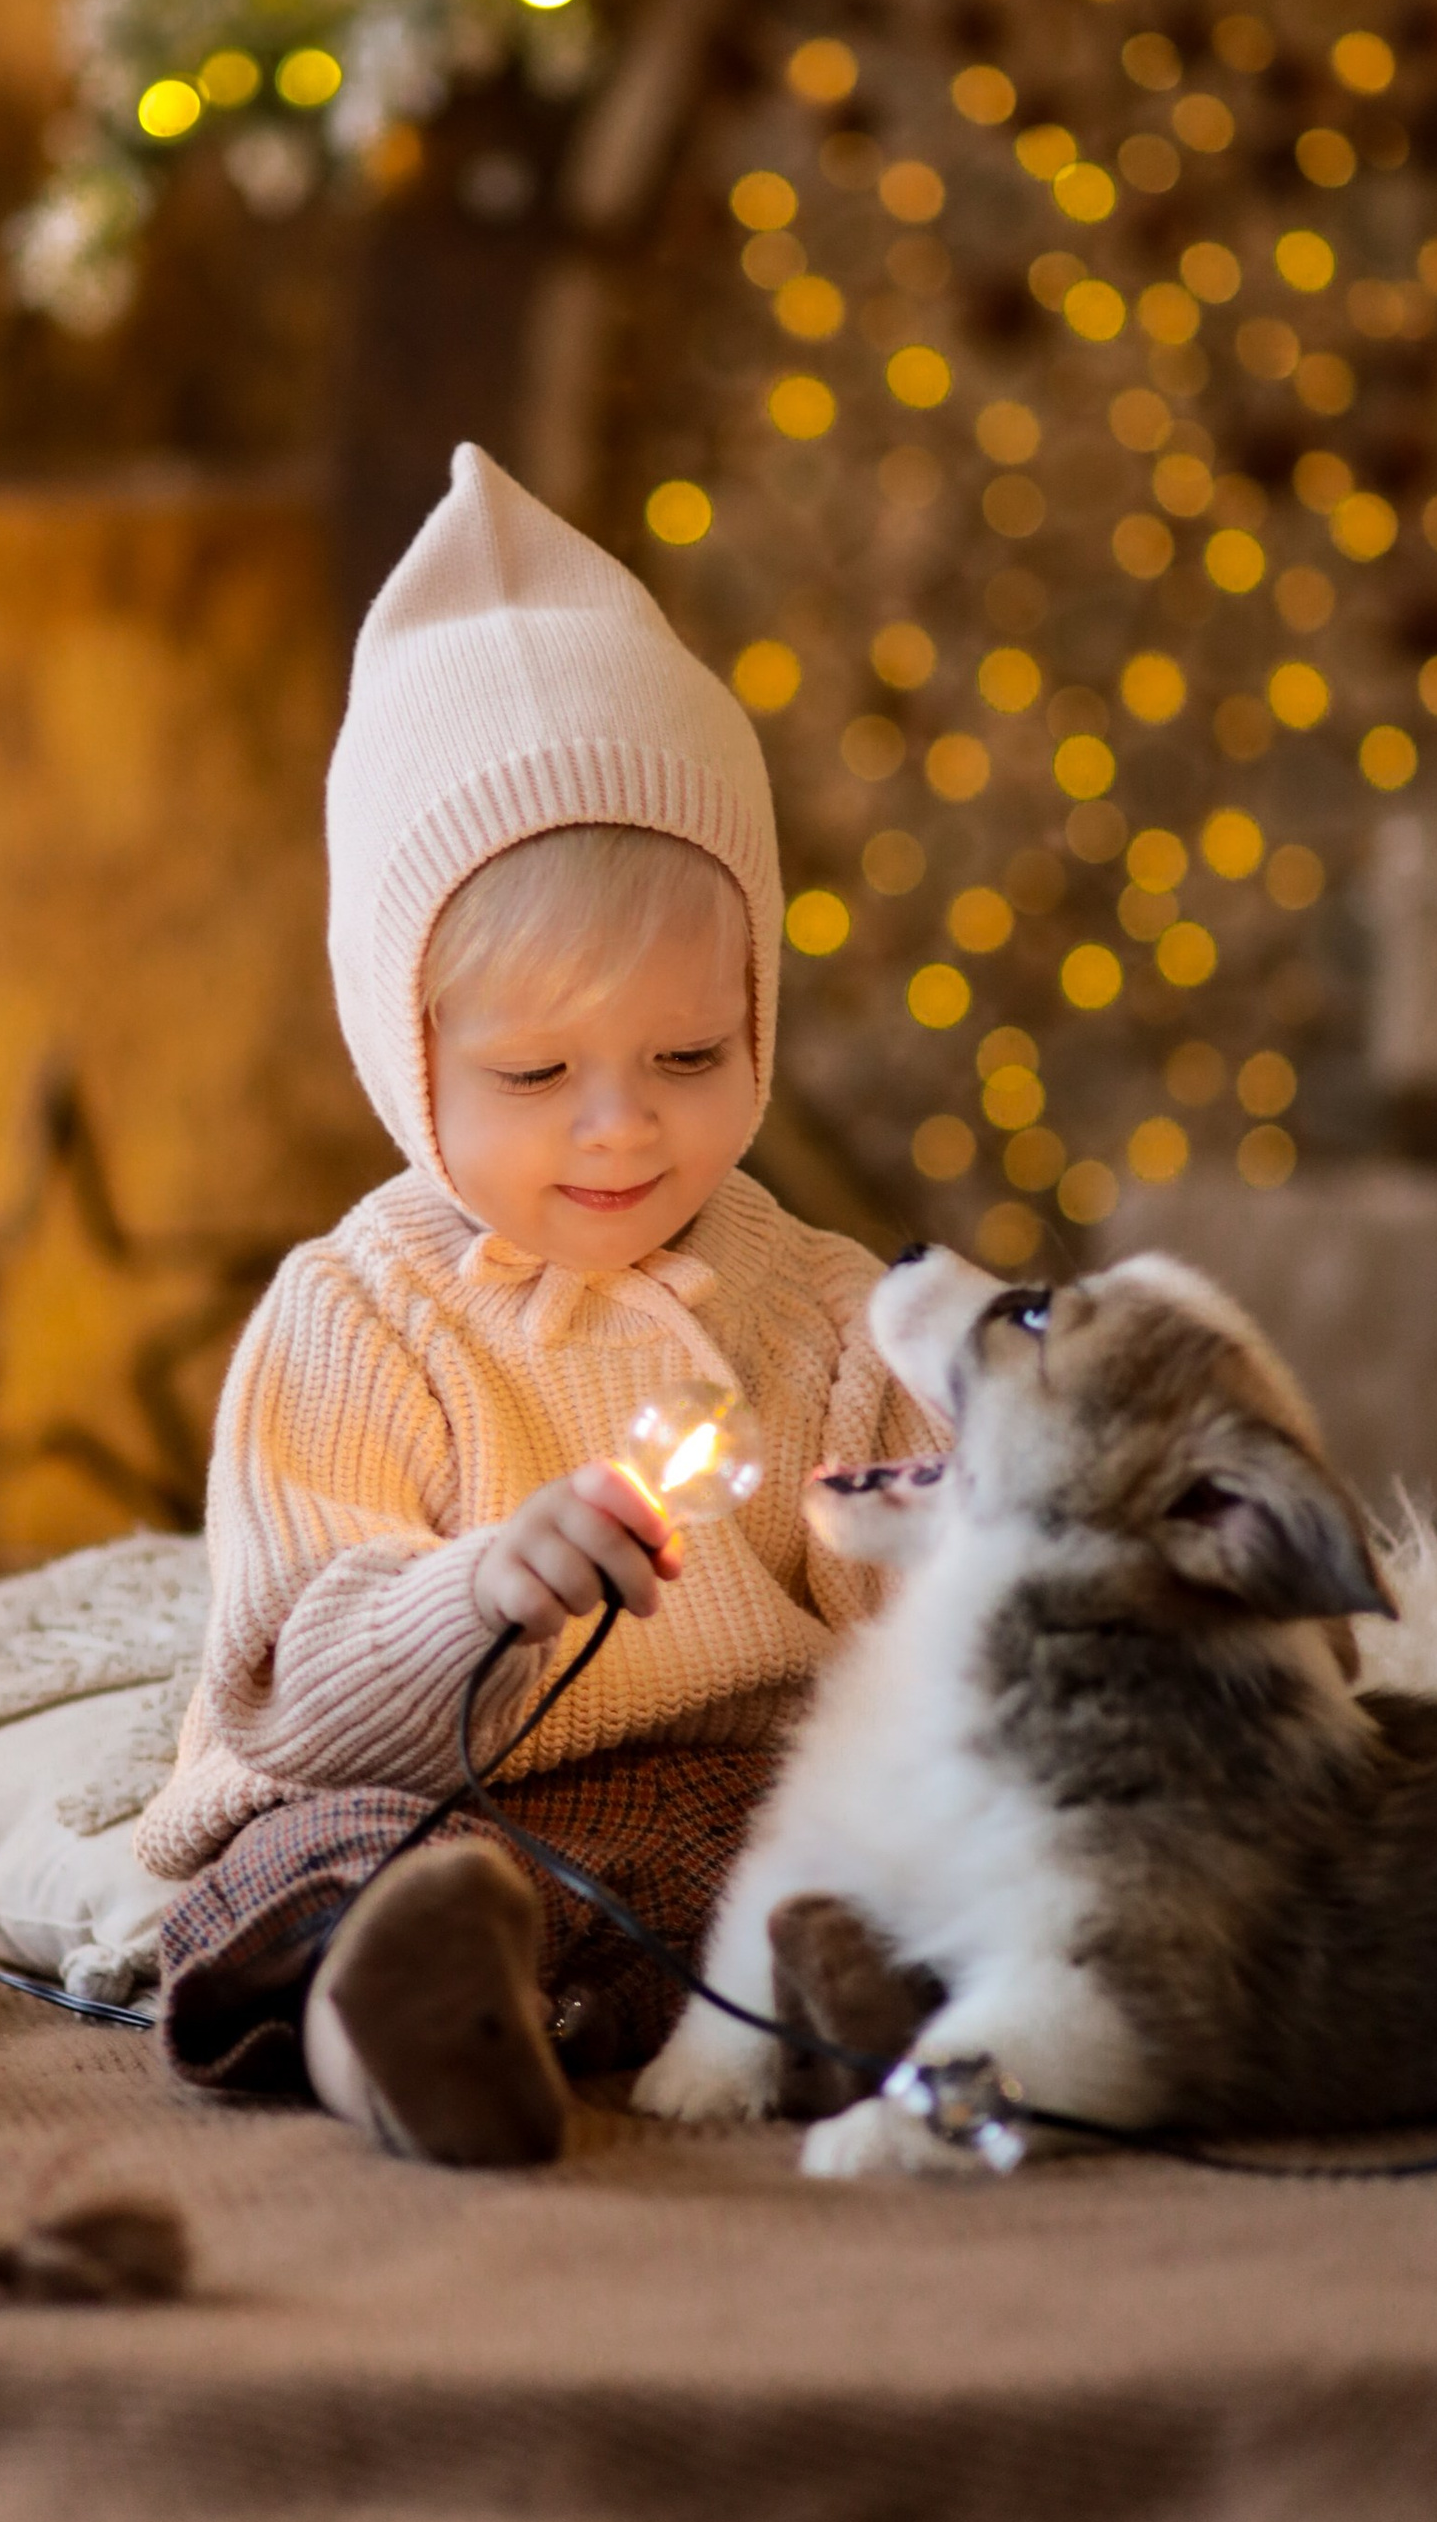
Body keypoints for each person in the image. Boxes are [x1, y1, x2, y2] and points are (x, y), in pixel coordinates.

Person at [135, 444, 935, 2160]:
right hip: (411, 1799)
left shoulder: (821, 1318)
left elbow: (913, 1647)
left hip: (719, 1808)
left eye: (690, 1054)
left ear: (758, 1013)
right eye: (535, 1070)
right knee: (309, 1888)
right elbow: (289, 1691)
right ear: (407, 1058)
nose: (622, 1123)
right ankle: (406, 2035)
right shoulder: (357, 1318)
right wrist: (477, 1595)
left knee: (826, 1845)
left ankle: (831, 1993)